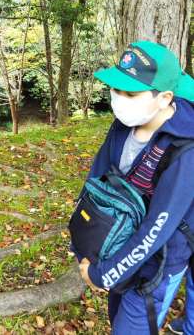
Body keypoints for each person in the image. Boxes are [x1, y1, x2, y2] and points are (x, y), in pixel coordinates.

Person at [75, 40, 194, 334]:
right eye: (116, 89)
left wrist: (104, 274)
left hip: (161, 263)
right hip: (121, 243)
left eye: (130, 93)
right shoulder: (124, 123)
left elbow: (157, 229)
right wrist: (83, 243)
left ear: (165, 98)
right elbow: (96, 180)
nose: (119, 99)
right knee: (117, 315)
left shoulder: (184, 151)